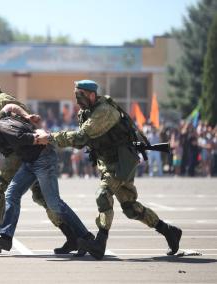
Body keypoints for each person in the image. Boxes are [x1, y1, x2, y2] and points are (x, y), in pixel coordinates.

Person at [35, 79, 183, 260]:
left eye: (80, 96)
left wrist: (49, 137)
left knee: (103, 195)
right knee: (130, 208)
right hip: (108, 162)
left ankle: (100, 242)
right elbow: (84, 142)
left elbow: (81, 137)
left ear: (91, 95)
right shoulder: (86, 112)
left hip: (121, 162)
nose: (77, 100)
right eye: (76, 96)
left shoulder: (104, 111)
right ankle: (169, 231)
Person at [0, 73, 79, 254]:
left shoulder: (2, 99)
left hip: (23, 153)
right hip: (20, 155)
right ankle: (73, 236)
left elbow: (26, 123)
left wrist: (40, 139)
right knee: (43, 197)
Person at [0, 117, 93, 253]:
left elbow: (30, 137)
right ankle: (5, 237)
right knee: (12, 194)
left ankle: (87, 237)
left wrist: (39, 135)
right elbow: (11, 108)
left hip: (43, 160)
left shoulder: (6, 131)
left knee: (54, 203)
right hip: (29, 162)